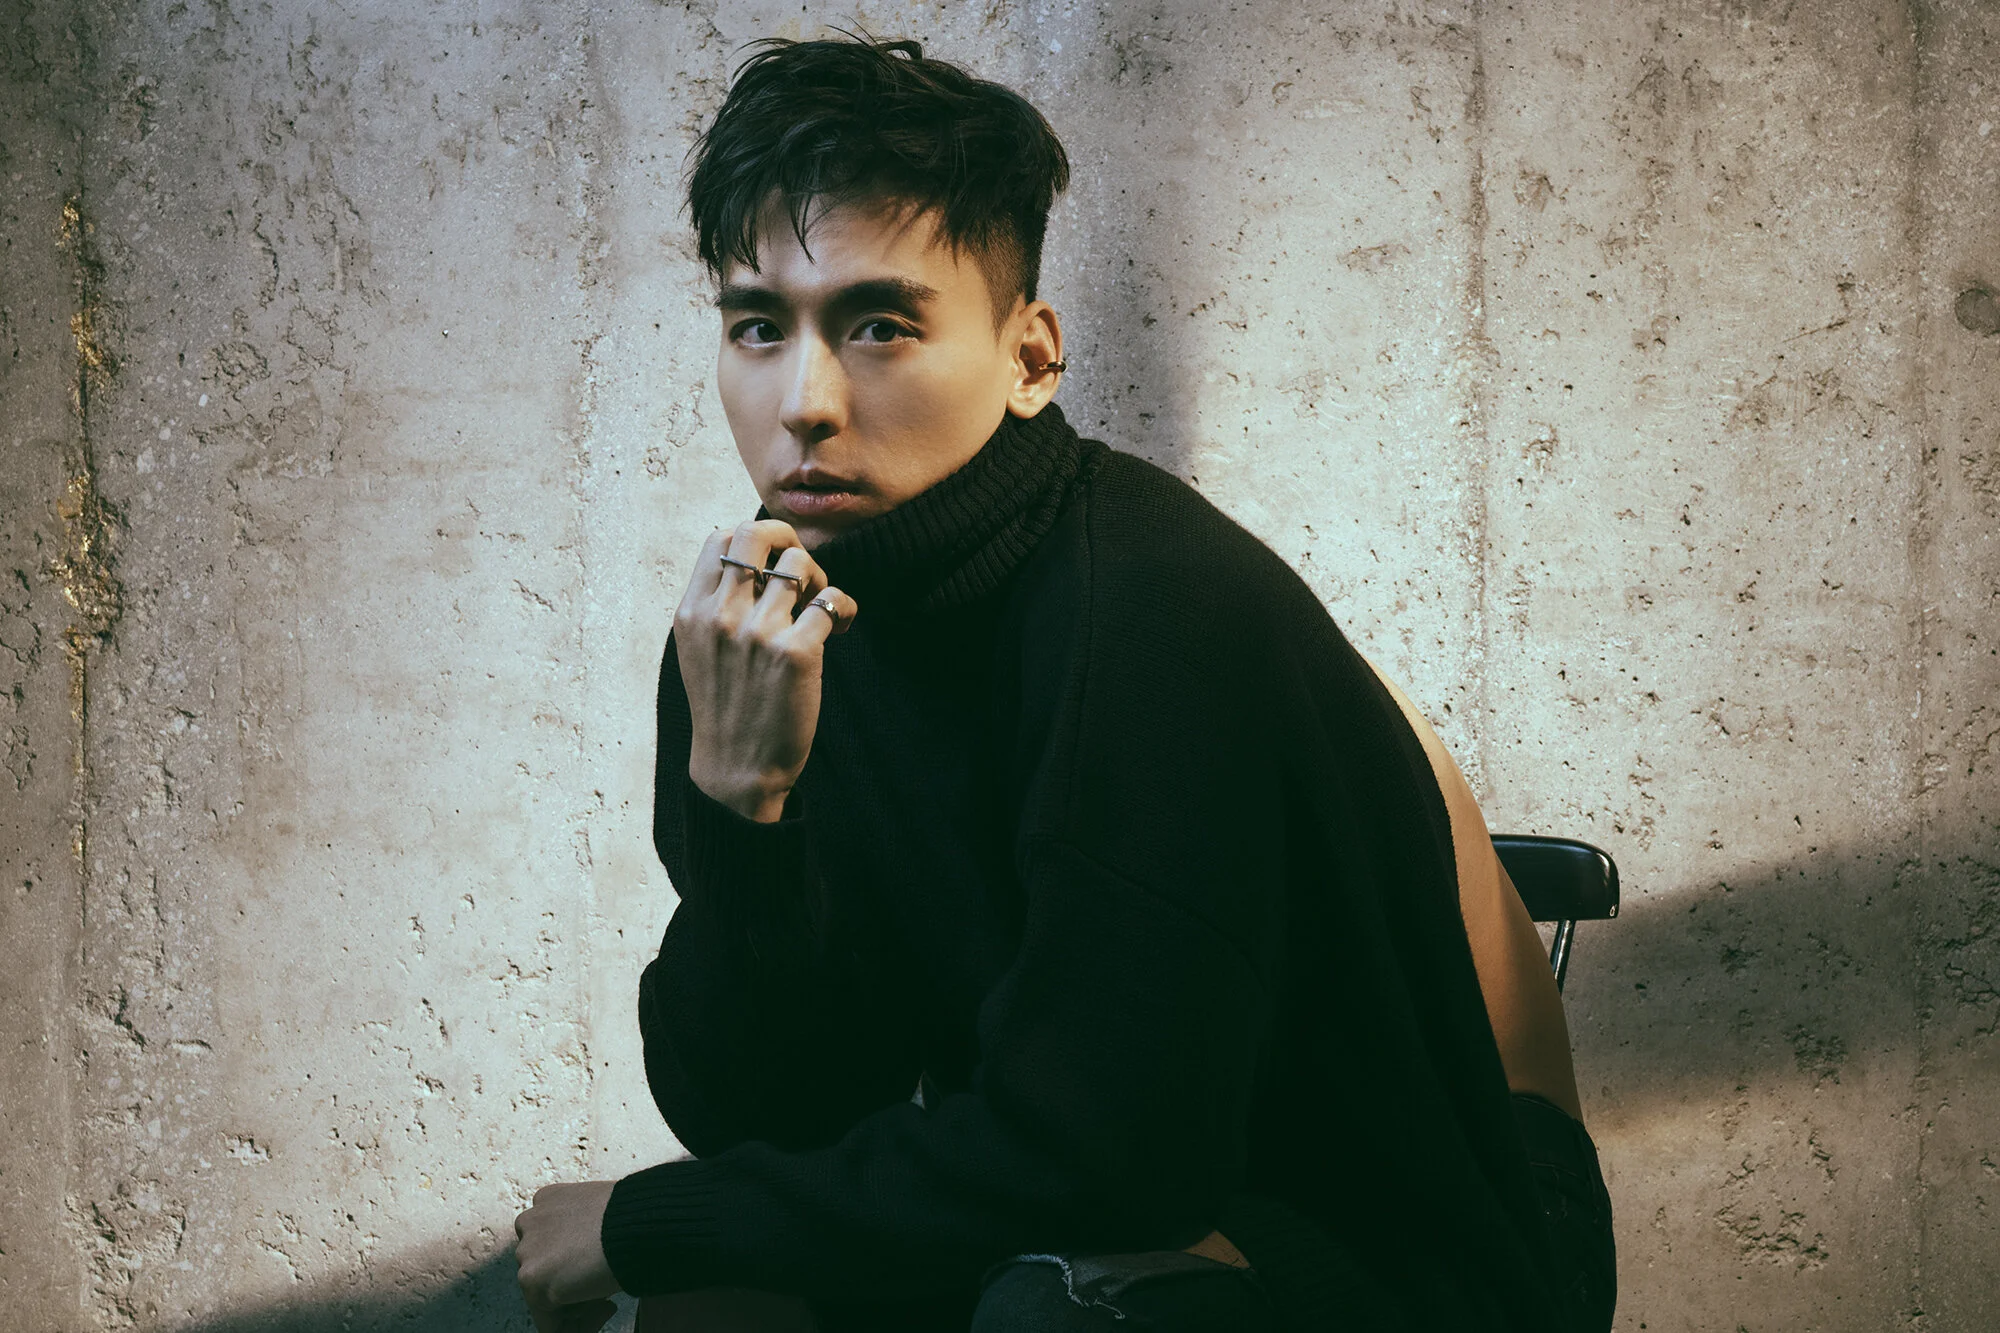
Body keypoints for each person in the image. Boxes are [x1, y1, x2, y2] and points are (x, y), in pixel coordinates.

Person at [513, 35, 1614, 1333]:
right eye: (760, 326)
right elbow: (771, 1117)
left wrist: (639, 1223)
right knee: (722, 1299)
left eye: (879, 326)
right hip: (1127, 1188)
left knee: (1054, 1313)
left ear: (1031, 359)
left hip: (1427, 1223)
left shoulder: (1147, 604)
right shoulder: (759, 634)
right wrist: (741, 807)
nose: (803, 400)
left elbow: (1112, 1155)